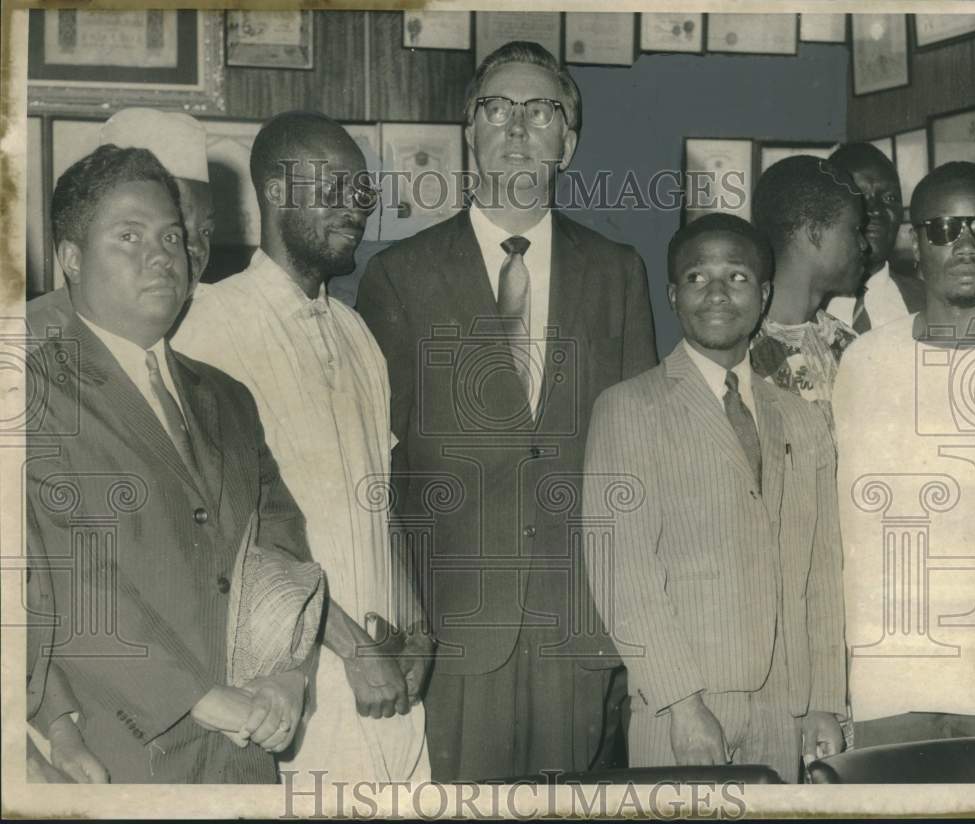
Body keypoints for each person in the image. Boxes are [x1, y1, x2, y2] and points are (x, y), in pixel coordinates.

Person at [356, 41, 657, 781]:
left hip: (577, 624)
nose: (517, 125)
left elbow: (640, 458)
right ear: (470, 132)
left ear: (569, 143)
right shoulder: (399, 276)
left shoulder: (617, 273)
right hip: (454, 626)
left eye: (541, 110)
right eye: (497, 107)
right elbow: (380, 466)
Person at [26, 144, 311, 783]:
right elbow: (66, 577)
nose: (161, 255)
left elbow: (281, 545)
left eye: (172, 237)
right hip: (119, 754)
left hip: (243, 760)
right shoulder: (31, 387)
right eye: (128, 236)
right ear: (70, 259)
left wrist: (289, 674)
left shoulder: (228, 398)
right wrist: (201, 697)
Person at [172, 111, 431, 783]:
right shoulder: (211, 325)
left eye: (363, 192)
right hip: (293, 685)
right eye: (335, 186)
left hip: (387, 675)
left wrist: (417, 627)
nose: (357, 207)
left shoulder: (356, 332)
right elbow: (235, 537)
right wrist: (350, 650)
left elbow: (383, 498)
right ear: (277, 192)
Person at [584, 214, 847, 783]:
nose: (718, 293)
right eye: (698, 278)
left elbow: (822, 569)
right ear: (674, 296)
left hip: (787, 705)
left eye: (737, 276)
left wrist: (824, 697)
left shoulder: (799, 416)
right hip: (684, 702)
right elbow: (621, 570)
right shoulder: (630, 408)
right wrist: (681, 703)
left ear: (765, 293)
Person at [832, 162, 975, 749]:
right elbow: (846, 527)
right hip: (891, 677)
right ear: (914, 244)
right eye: (945, 229)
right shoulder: (867, 364)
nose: (967, 244)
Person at [27, 108, 215, 336]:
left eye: (205, 231)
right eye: (179, 229)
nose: (195, 247)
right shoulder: (29, 339)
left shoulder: (220, 322)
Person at [749, 155, 868, 404]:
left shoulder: (845, 342)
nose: (864, 244)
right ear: (814, 233)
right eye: (855, 229)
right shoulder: (742, 350)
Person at [825, 143, 925, 332]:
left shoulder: (929, 301)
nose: (876, 210)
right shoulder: (802, 305)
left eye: (889, 198)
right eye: (860, 197)